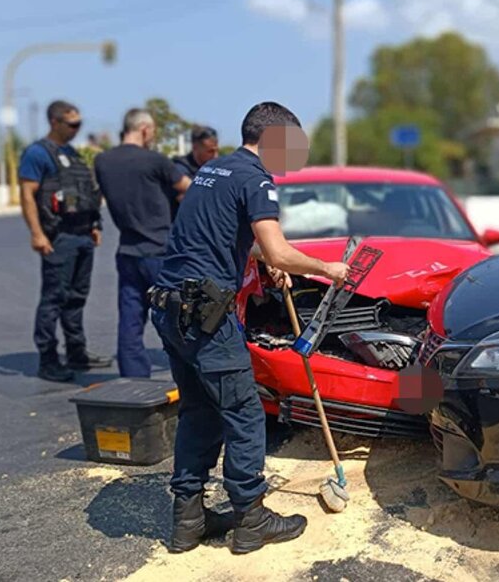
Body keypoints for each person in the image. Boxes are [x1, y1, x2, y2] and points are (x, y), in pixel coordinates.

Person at [149, 102, 349, 554]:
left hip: (170, 308)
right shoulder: (257, 179)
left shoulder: (212, 170)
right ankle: (251, 519)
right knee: (244, 413)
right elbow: (278, 249)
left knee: (199, 411)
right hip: (206, 315)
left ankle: (188, 521)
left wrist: (260, 258)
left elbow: (220, 237)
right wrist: (326, 269)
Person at [18, 100, 113, 382]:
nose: (76, 129)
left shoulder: (72, 153)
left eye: (79, 124)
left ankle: (76, 352)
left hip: (83, 235)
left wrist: (94, 224)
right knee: (54, 299)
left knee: (76, 298)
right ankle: (48, 359)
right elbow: (27, 195)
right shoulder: (37, 153)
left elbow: (85, 193)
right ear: (55, 122)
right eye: (72, 124)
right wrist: (37, 233)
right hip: (59, 236)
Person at [94, 109, 192, 378]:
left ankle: (133, 380)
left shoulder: (103, 161)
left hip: (128, 250)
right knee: (177, 318)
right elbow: (189, 187)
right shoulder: (155, 161)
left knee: (130, 321)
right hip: (160, 251)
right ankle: (189, 379)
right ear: (145, 129)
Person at [169, 125, 218, 219]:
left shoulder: (214, 168)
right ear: (195, 147)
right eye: (210, 151)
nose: (215, 156)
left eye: (216, 151)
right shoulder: (179, 170)